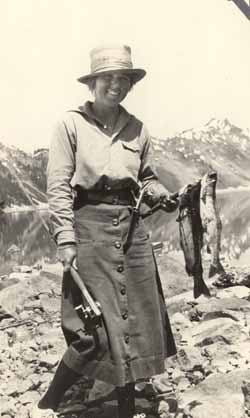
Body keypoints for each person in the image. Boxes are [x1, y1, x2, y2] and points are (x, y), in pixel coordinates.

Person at [30, 45, 178, 418]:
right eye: (108, 78)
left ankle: (127, 405)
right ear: (93, 82)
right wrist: (65, 238)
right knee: (93, 326)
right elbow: (59, 185)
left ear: (131, 84)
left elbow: (145, 178)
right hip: (89, 229)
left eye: (124, 79)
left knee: (140, 317)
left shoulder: (138, 128)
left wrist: (160, 194)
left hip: (131, 232)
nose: (116, 85)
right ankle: (49, 401)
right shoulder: (70, 124)